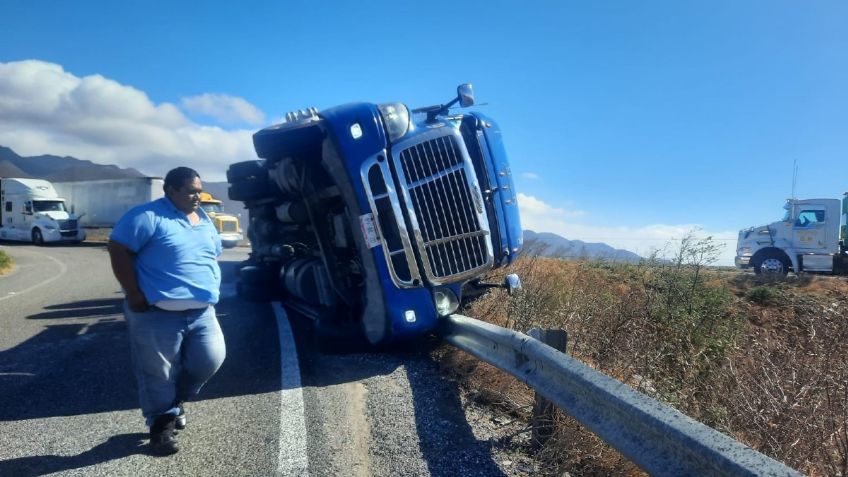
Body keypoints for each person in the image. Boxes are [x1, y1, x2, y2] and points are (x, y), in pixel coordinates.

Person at [107, 166, 226, 456]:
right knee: (157, 373)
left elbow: (211, 254)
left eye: (199, 190)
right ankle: (161, 426)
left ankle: (175, 403)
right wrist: (133, 293)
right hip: (156, 313)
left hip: (202, 311)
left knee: (210, 360)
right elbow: (117, 247)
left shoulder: (204, 219)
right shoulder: (147, 216)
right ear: (170, 190)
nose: (197, 196)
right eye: (190, 191)